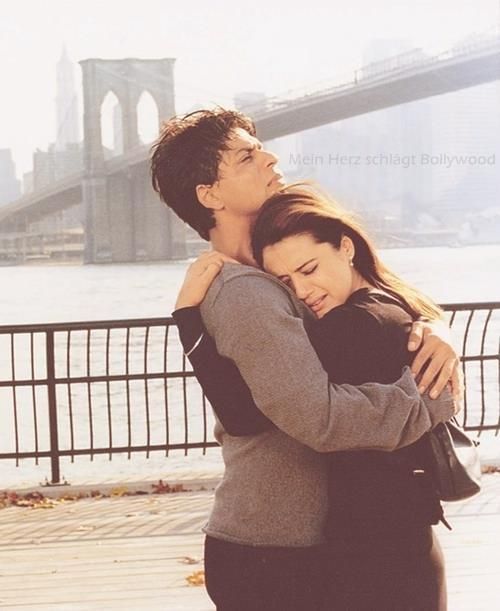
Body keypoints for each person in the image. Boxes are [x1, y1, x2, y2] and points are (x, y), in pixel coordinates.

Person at [150, 108, 460, 611]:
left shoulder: (282, 271)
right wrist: (431, 393)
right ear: (210, 195)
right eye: (247, 155)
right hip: (274, 553)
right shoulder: (245, 292)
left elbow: (378, 300)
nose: (271, 157)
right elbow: (319, 419)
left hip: (317, 544)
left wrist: (434, 331)